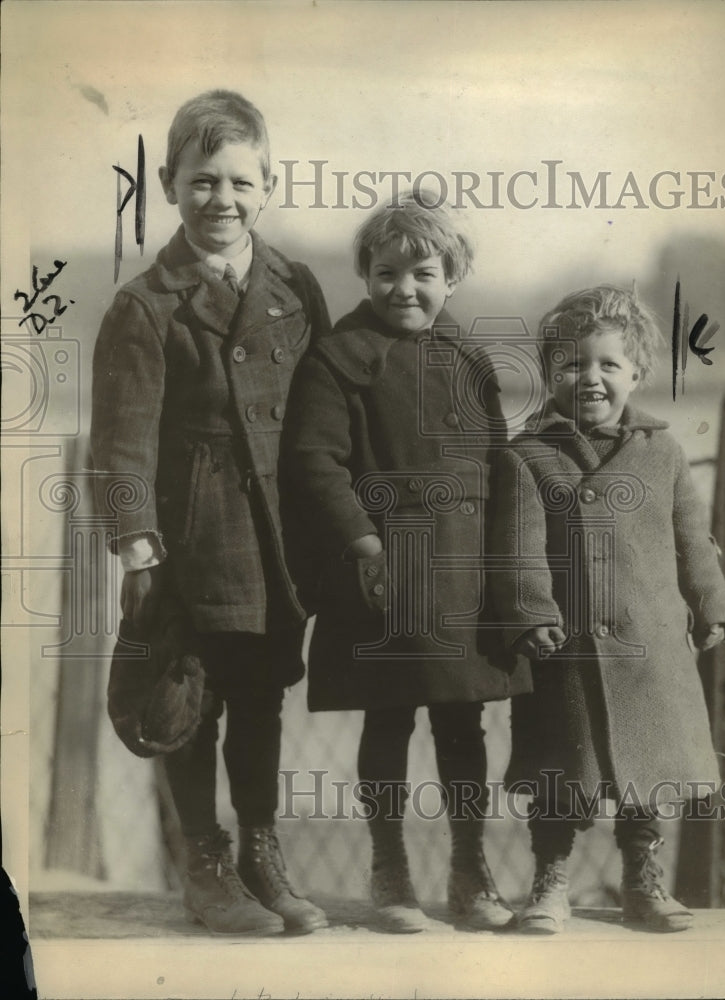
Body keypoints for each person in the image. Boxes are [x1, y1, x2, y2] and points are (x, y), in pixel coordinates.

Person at [91, 90, 331, 936]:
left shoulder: (294, 287)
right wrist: (136, 550)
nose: (219, 200)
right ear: (167, 183)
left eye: (238, 181)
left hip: (276, 537)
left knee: (260, 694)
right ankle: (205, 861)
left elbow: (322, 412)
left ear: (268, 185)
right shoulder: (145, 305)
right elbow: (119, 446)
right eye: (201, 181)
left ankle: (262, 851)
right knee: (190, 699)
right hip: (188, 539)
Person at [281, 193, 532, 933]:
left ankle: (468, 868)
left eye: (423, 272)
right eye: (385, 272)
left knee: (463, 723)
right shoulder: (338, 358)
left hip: (462, 573)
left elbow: (495, 467)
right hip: (380, 569)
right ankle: (389, 871)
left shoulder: (469, 357)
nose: (404, 288)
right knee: (387, 719)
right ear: (364, 274)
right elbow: (312, 461)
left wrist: (505, 575)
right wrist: (364, 544)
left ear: (451, 276)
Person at [490, 284, 725, 934]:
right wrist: (530, 613)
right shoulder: (528, 455)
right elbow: (518, 549)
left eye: (607, 364)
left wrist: (710, 604)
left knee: (647, 772)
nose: (590, 378)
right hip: (564, 648)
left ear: (637, 372)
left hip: (650, 645)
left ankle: (641, 879)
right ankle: (551, 878)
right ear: (549, 373)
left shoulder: (663, 454)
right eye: (572, 365)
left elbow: (691, 540)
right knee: (560, 772)